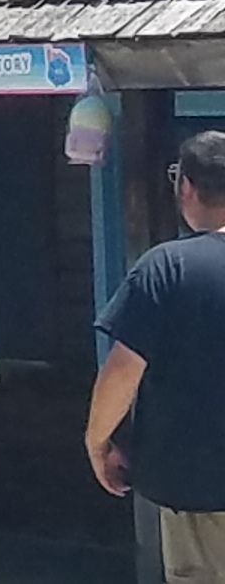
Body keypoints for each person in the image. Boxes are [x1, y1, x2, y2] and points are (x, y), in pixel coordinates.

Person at [91, 130, 225, 581]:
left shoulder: (167, 267)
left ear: (185, 186)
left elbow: (122, 371)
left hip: (200, 489)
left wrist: (98, 441)